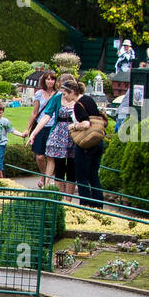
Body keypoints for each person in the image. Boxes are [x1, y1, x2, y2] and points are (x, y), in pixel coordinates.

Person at [26, 74, 78, 190]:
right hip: (59, 135)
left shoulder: (79, 99)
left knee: (71, 167)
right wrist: (33, 133)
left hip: (74, 135)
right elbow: (46, 116)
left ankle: (68, 199)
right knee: (58, 164)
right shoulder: (57, 98)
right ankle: (56, 192)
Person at [62, 78, 106, 208]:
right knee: (93, 176)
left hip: (86, 144)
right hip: (98, 141)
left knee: (81, 177)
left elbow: (86, 124)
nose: (64, 97)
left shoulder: (78, 105)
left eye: (65, 94)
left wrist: (73, 126)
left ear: (72, 92)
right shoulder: (89, 99)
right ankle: (98, 205)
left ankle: (84, 205)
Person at [27, 71, 58, 184]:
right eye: (48, 79)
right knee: (40, 156)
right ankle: (43, 175)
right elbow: (35, 112)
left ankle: (47, 180)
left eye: (52, 79)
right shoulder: (39, 94)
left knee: (50, 156)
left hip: (52, 126)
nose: (50, 81)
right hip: (40, 126)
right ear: (44, 80)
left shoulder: (58, 94)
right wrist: (28, 128)